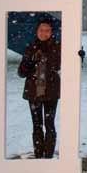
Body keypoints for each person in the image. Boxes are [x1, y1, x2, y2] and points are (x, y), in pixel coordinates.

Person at [18, 19, 61, 159]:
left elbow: (66, 64)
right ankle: (38, 154)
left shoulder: (58, 47)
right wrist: (30, 60)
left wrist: (79, 56)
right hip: (33, 91)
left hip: (51, 90)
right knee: (36, 124)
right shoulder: (31, 47)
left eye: (47, 30)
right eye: (41, 30)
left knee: (50, 123)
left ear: (51, 32)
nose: (44, 33)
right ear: (37, 31)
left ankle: (48, 155)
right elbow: (21, 73)